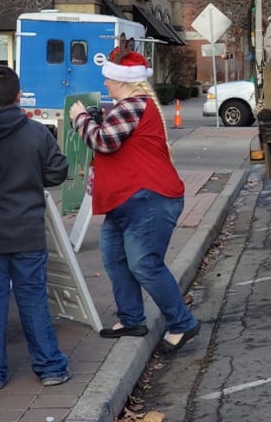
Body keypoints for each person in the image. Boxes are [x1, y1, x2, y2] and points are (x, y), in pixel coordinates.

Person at [68, 48, 201, 355]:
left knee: (144, 264)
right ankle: (132, 318)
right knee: (115, 259)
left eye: (108, 80)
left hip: (148, 197)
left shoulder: (134, 104)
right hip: (130, 199)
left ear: (122, 80)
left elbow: (104, 141)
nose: (105, 85)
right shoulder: (131, 104)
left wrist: (80, 119)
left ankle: (181, 323)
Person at [0, 66, 71, 389]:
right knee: (32, 299)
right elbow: (58, 172)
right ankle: (49, 366)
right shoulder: (36, 133)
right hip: (28, 231)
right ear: (19, 96)